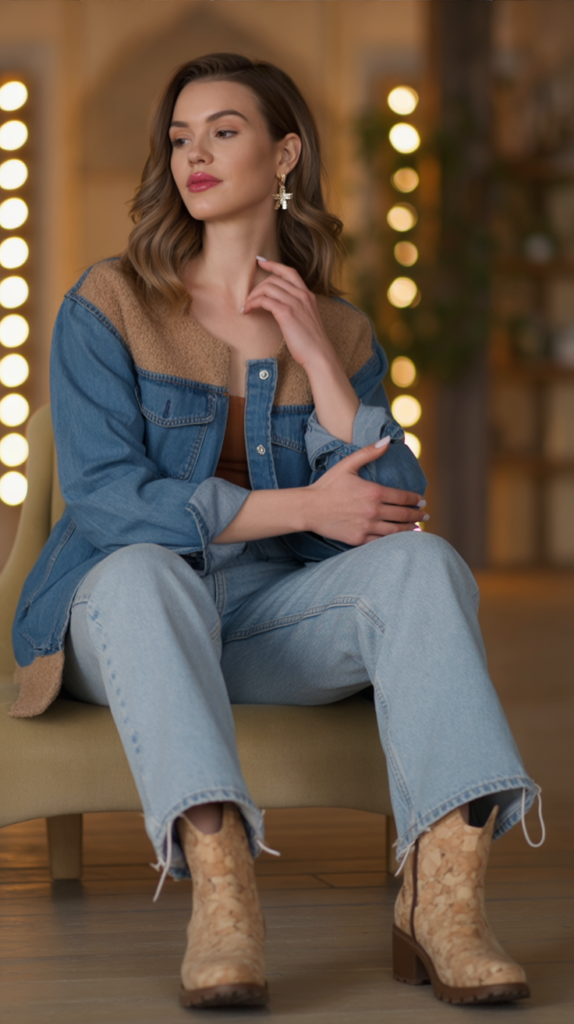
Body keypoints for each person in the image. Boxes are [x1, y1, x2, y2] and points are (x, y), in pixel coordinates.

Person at [10, 53, 542, 1011]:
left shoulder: (339, 329)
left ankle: (445, 899)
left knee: (425, 566)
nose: (194, 155)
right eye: (180, 137)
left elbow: (400, 506)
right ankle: (223, 904)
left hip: (260, 622)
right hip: (115, 614)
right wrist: (303, 508)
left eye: (223, 130)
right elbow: (106, 502)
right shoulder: (110, 302)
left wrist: (321, 366)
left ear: (284, 152)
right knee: (143, 571)